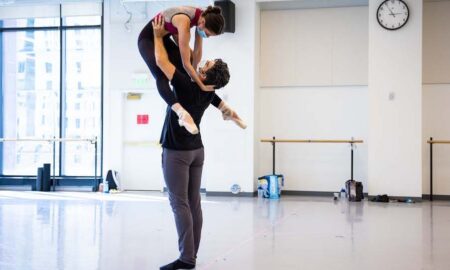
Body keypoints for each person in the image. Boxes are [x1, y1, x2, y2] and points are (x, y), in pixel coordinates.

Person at [151, 16, 239, 270]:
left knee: (180, 204)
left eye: (207, 64)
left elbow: (161, 62)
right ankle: (191, 256)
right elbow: (194, 58)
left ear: (205, 73)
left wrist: (158, 37)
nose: (203, 63)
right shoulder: (209, 92)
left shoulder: (186, 84)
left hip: (177, 152)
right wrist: (197, 36)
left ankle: (186, 259)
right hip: (197, 151)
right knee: (194, 204)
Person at [138, 6, 245, 134]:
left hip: (164, 37)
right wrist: (200, 84)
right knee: (162, 75)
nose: (207, 37)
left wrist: (195, 78)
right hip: (149, 38)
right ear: (203, 23)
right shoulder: (184, 21)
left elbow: (197, 53)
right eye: (208, 34)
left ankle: (225, 109)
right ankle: (181, 113)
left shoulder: (201, 17)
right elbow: (186, 64)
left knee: (186, 75)